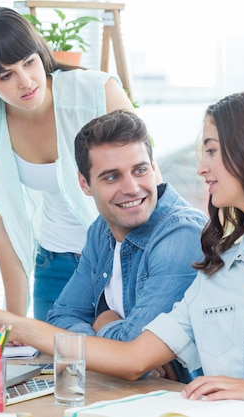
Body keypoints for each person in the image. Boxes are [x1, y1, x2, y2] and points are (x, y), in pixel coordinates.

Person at [0, 88, 244, 416]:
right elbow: (132, 358)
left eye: (211, 151)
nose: (201, 167)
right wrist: (10, 322)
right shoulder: (220, 268)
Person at [0, 6, 146, 320]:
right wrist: (14, 319)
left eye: (29, 62)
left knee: (124, 363)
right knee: (50, 367)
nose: (26, 81)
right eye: (6, 75)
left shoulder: (97, 93)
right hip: (54, 264)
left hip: (119, 260)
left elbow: (147, 184)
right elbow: (4, 217)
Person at [45, 110, 206, 382]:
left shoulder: (181, 234)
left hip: (182, 400)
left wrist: (103, 321)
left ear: (154, 167)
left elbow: (133, 352)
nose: (131, 188)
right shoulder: (101, 229)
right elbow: (61, 316)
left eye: (140, 170)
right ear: (85, 184)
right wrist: (115, 347)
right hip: (127, 394)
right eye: (111, 177)